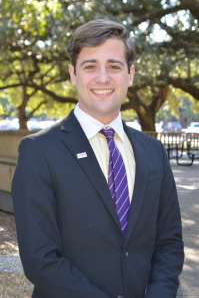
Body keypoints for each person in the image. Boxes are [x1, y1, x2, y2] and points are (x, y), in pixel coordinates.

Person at [12, 19, 184, 298]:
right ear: (72, 74)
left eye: (114, 66)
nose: (102, 77)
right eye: (90, 66)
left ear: (130, 74)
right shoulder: (39, 151)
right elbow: (40, 259)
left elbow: (169, 243)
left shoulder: (154, 153)